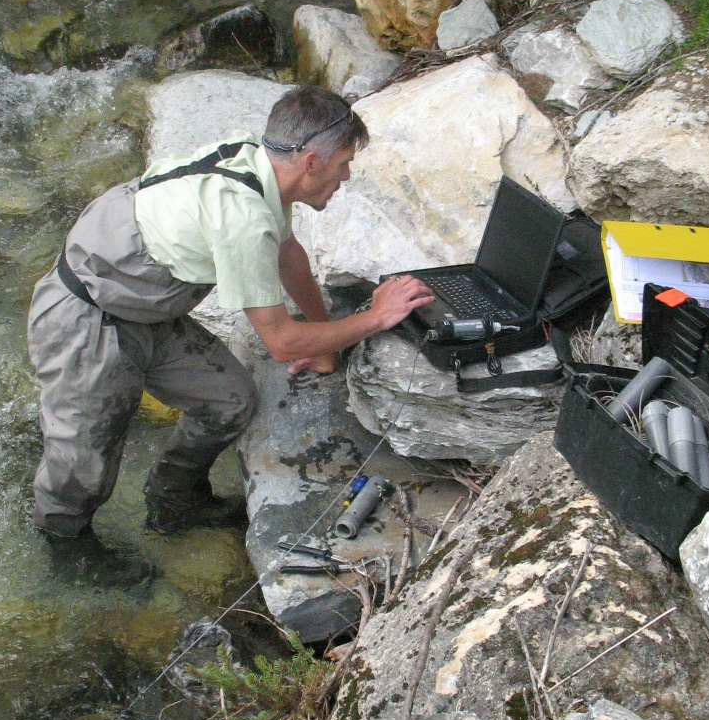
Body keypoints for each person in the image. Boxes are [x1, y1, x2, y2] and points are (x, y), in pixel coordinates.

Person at [27, 85, 433, 539]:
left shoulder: (258, 167)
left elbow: (288, 253)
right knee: (83, 472)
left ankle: (174, 502)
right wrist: (376, 318)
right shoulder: (243, 217)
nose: (345, 180)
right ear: (311, 163)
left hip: (143, 309)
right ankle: (65, 547)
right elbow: (280, 343)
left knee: (230, 402)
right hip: (85, 319)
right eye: (343, 166)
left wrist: (324, 339)